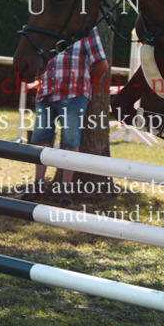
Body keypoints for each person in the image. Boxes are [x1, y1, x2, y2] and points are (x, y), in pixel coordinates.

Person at [26, 26, 108, 205]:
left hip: (74, 96)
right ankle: (37, 185)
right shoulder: (50, 24)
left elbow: (102, 65)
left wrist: (84, 85)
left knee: (71, 142)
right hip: (47, 93)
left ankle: (65, 191)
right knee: (41, 140)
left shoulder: (88, 29)